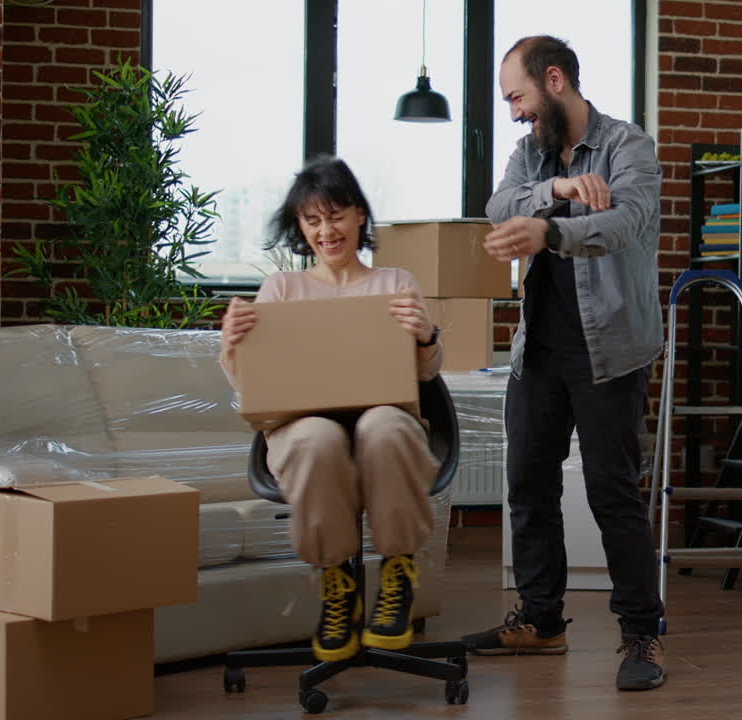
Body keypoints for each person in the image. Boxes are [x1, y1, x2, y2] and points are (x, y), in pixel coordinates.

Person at [463, 35, 667, 691]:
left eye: (517, 97)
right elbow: (498, 207)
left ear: (554, 81)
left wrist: (550, 228)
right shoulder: (532, 153)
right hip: (540, 353)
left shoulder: (629, 146)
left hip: (609, 350)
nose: (515, 114)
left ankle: (643, 634)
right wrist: (552, 187)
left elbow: (625, 224)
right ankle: (541, 621)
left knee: (612, 492)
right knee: (526, 482)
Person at [219, 155, 444, 663]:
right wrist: (233, 347)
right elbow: (253, 385)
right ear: (300, 228)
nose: (327, 231)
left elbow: (428, 375)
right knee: (317, 439)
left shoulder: (395, 284)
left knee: (384, 426)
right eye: (313, 220)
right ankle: (337, 580)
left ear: (360, 215)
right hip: (301, 424)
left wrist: (426, 334)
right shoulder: (281, 290)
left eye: (336, 215)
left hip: (384, 415)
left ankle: (397, 569)